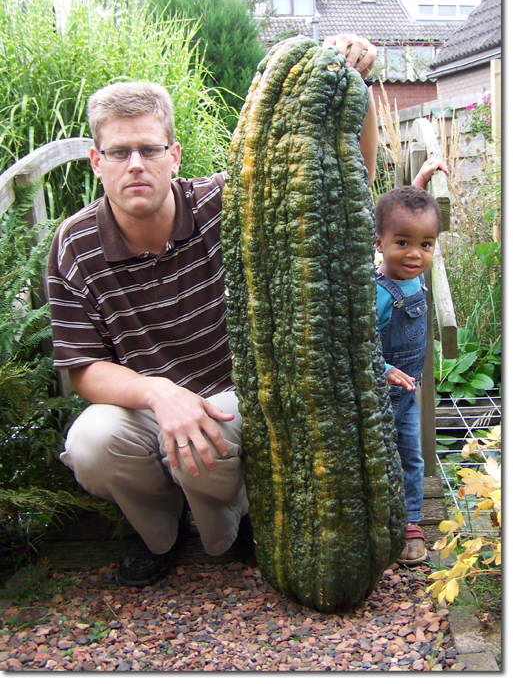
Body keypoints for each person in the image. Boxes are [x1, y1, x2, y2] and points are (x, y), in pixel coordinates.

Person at [47, 33, 379, 587]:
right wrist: (160, 393)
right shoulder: (74, 243)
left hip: (232, 402)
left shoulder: (226, 204)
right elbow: (83, 368)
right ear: (95, 162)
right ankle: (159, 531)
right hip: (147, 404)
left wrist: (359, 87)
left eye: (150, 149)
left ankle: (228, 528)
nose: (135, 165)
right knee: (90, 443)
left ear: (173, 156)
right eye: (119, 152)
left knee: (211, 433)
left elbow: (343, 190)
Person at [374, 158, 448, 566]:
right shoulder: (380, 292)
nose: (415, 254)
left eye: (426, 244)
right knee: (378, 456)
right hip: (380, 392)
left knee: (411, 455)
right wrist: (381, 369)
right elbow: (359, 342)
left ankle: (412, 522)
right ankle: (376, 520)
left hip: (409, 394)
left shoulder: (413, 272)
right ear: (379, 242)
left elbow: (408, 214)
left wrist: (418, 181)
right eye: (402, 243)